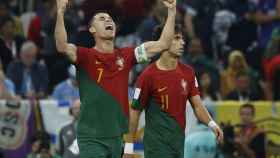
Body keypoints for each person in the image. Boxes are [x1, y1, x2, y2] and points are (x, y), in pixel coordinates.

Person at [54, 0, 177, 157]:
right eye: (101, 18)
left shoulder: (126, 56)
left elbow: (163, 44)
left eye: (110, 19)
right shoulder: (85, 56)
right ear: (92, 29)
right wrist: (60, 12)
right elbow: (61, 46)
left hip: (118, 137)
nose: (108, 20)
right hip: (92, 138)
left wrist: (172, 12)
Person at [124, 25, 223, 158]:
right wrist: (129, 148)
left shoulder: (188, 72)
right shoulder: (148, 76)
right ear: (162, 41)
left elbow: (198, 106)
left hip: (178, 144)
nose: (182, 42)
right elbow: (135, 112)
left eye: (182, 38)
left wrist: (212, 124)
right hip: (157, 146)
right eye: (176, 38)